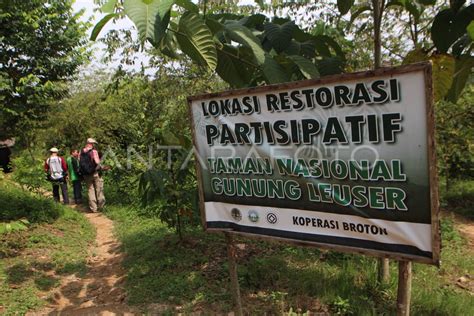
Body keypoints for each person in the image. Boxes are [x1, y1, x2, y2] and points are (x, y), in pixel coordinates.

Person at [80, 138, 105, 212]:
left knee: (90, 190)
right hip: (94, 173)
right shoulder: (94, 151)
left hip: (86, 174)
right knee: (99, 188)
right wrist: (103, 167)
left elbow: (80, 163)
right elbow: (97, 162)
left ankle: (93, 208)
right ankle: (101, 206)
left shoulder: (81, 151)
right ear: (92, 144)